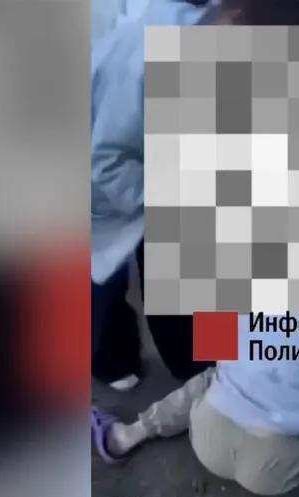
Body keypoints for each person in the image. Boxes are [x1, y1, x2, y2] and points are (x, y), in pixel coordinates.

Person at [92, 316, 299, 495]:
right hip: (270, 464)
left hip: (207, 434)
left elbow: (218, 353)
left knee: (216, 376)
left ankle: (130, 433)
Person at [90, 0, 215, 389]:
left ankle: (198, 364)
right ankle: (113, 358)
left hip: (150, 152)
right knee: (102, 279)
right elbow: (105, 160)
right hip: (100, 168)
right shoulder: (140, 48)